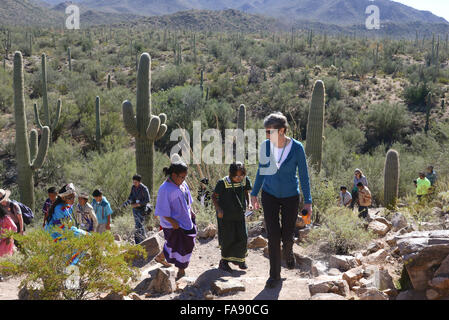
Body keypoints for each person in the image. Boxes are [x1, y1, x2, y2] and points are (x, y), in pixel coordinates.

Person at [250, 112, 312, 289]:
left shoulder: (297, 148)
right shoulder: (265, 147)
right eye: (266, 132)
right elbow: (261, 170)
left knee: (287, 234)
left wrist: (308, 201)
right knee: (273, 235)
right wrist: (254, 193)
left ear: (282, 130)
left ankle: (289, 250)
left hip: (291, 196)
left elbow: (304, 176)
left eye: (271, 132)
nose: (268, 136)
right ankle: (274, 275)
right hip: (269, 195)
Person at [154, 160, 196, 280]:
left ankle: (161, 257)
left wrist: (191, 211)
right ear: (173, 175)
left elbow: (187, 199)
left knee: (178, 244)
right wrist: (173, 222)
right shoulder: (165, 189)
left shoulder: (182, 184)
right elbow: (161, 210)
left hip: (186, 220)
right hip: (173, 224)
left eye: (184, 177)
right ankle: (181, 270)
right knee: (180, 246)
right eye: (181, 177)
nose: (183, 179)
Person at [212, 162, 252, 272]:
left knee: (242, 237)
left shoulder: (244, 181)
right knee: (228, 238)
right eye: (236, 175)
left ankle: (240, 260)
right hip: (226, 216)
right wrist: (219, 209)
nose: (239, 178)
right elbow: (214, 197)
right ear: (230, 174)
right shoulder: (223, 183)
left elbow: (246, 192)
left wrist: (249, 203)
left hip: (239, 215)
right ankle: (224, 262)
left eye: (241, 175)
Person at [45, 184, 87, 265]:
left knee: (85, 238)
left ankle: (72, 263)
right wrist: (75, 232)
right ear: (63, 197)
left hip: (65, 231)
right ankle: (69, 264)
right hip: (56, 234)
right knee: (82, 238)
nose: (73, 199)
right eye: (70, 197)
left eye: (74, 196)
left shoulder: (68, 206)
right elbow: (61, 227)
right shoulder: (59, 208)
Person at [122, 174, 151, 244]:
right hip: (135, 209)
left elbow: (147, 200)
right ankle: (143, 239)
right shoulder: (133, 187)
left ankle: (139, 241)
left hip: (142, 209)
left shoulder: (144, 188)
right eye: (133, 182)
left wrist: (138, 204)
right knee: (138, 224)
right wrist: (128, 202)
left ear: (139, 181)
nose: (134, 183)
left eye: (135, 182)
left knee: (139, 225)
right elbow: (131, 196)